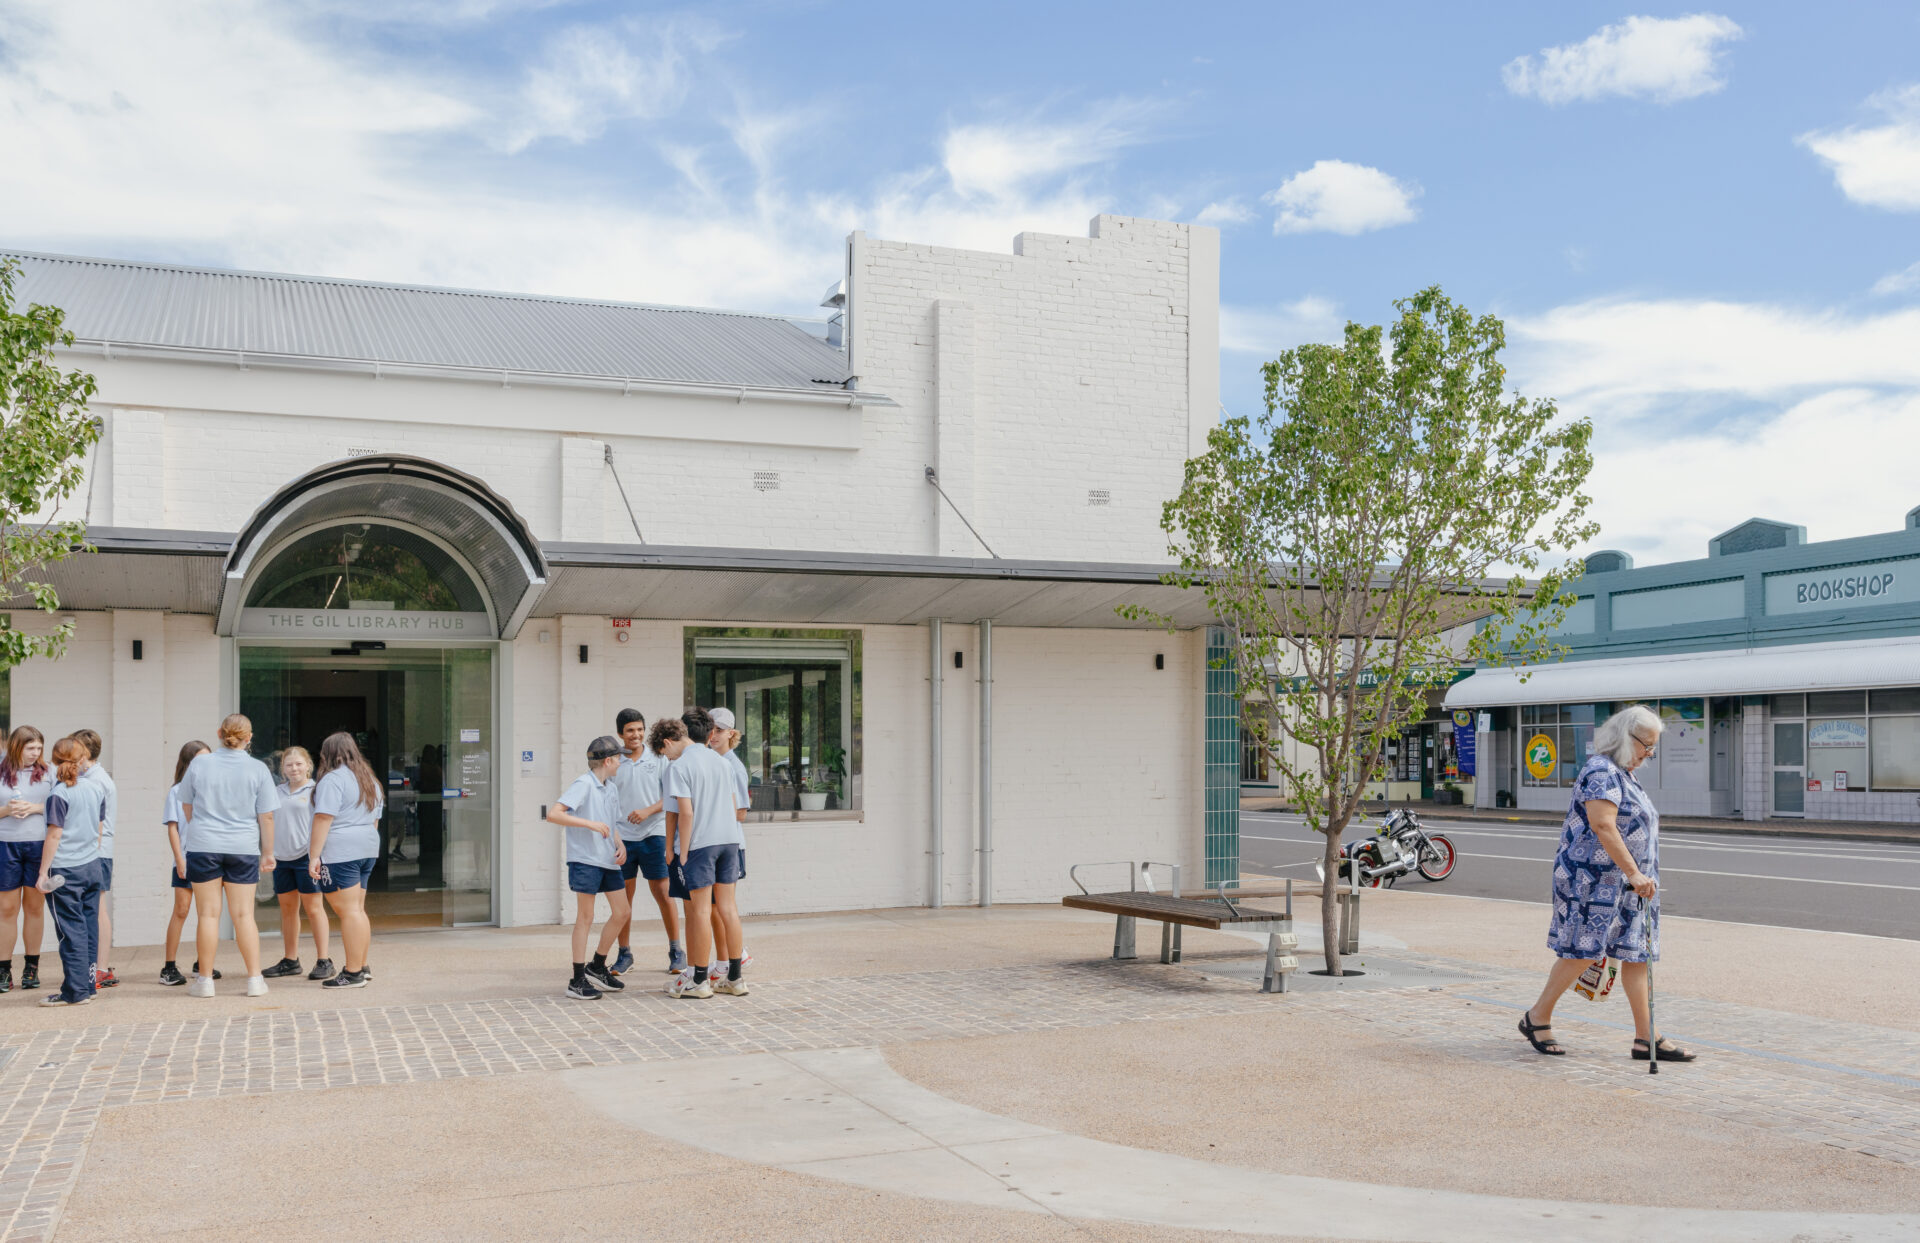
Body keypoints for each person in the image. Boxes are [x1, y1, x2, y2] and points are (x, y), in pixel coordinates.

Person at [1520, 704, 1696, 1064]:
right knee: (1582, 952)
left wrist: (1637, 876)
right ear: (1625, 738)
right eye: (1647, 745)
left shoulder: (1624, 774)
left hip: (1631, 886)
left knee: (1637, 955)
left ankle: (1646, 1037)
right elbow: (1603, 825)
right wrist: (1633, 872)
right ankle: (1536, 1017)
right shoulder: (1601, 771)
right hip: (1594, 881)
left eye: (1653, 747)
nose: (1650, 754)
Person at [178, 713, 278, 998]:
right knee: (244, 915)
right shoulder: (258, 769)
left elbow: (186, 806)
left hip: (204, 845)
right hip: (243, 846)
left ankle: (205, 982)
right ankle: (255, 980)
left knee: (208, 915)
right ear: (249, 738)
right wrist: (268, 853)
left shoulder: (199, 764)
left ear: (219, 733)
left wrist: (202, 828)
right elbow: (266, 816)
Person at [663, 708, 746, 1000]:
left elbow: (685, 813)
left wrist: (682, 851)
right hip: (729, 840)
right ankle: (735, 978)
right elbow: (733, 805)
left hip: (701, 844)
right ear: (711, 734)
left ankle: (698, 980)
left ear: (683, 732)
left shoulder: (679, 766)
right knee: (728, 909)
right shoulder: (723, 763)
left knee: (699, 911)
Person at [547, 736, 631, 1000]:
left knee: (622, 912)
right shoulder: (583, 784)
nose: (620, 763)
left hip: (607, 860)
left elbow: (610, 824)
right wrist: (589, 824)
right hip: (585, 860)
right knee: (586, 917)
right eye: (618, 758)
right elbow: (554, 814)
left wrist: (620, 844)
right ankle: (576, 979)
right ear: (607, 761)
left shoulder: (611, 788)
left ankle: (597, 966)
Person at [307, 732, 383, 990]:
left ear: (327, 754)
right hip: (367, 846)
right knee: (358, 910)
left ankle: (352, 973)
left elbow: (323, 818)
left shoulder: (333, 779)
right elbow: (375, 819)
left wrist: (314, 855)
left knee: (348, 912)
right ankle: (361, 965)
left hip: (341, 851)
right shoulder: (369, 778)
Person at [609, 709, 681, 977]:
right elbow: (607, 799)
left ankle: (676, 951)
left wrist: (647, 811)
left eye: (640, 729)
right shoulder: (614, 762)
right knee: (623, 899)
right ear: (620, 734)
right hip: (624, 839)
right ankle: (624, 953)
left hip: (654, 833)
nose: (636, 734)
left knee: (664, 893)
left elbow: (671, 795)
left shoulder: (658, 757)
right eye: (630, 730)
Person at [38, 737, 110, 1007]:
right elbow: (99, 829)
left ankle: (75, 992)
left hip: (65, 871)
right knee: (89, 927)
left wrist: (42, 873)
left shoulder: (59, 794)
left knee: (71, 931)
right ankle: (88, 987)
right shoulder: (95, 788)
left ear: (54, 761)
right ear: (82, 759)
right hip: (92, 866)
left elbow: (54, 835)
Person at [263, 746, 334, 982]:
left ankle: (324, 960)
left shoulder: (315, 790)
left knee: (314, 909)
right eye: (289, 765)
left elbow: (325, 822)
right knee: (288, 910)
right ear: (282, 768)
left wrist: (318, 854)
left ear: (308, 766)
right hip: (282, 859)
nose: (294, 768)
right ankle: (290, 960)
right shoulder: (276, 792)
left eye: (298, 764)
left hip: (307, 857)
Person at [0, 725, 52, 994]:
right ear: (16, 746)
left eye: (39, 748)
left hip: (38, 845)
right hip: (5, 845)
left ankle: (31, 968)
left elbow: (61, 806)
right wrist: (7, 810)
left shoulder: (49, 772)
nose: (36, 753)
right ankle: (3, 969)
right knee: (7, 909)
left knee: (34, 907)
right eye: (30, 748)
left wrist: (35, 807)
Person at [159, 740, 215, 987]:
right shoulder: (177, 791)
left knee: (207, 912)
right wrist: (180, 860)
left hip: (209, 858)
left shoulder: (213, 788)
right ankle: (169, 967)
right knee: (181, 910)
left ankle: (203, 963)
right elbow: (173, 828)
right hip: (186, 858)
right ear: (188, 763)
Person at [703, 709, 753, 981]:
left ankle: (734, 956)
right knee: (713, 908)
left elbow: (741, 812)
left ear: (731, 733)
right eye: (711, 729)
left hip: (730, 845)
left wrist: (709, 813)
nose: (714, 735)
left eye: (720, 731)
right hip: (715, 843)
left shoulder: (734, 767)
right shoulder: (711, 762)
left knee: (722, 907)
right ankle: (726, 959)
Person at [71, 730, 119, 988]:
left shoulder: (97, 781)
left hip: (97, 852)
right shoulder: (89, 777)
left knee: (98, 910)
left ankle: (100, 969)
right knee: (94, 909)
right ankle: (96, 967)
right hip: (95, 851)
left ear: (85, 753)